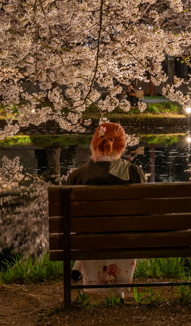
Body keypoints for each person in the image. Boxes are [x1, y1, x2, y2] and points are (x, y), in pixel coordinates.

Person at [65, 122, 146, 298]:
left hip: (89, 240)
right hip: (126, 240)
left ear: (93, 144)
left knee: (90, 233)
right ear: (122, 146)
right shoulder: (133, 173)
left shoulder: (77, 176)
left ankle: (79, 265)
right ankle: (119, 295)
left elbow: (68, 217)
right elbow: (144, 211)